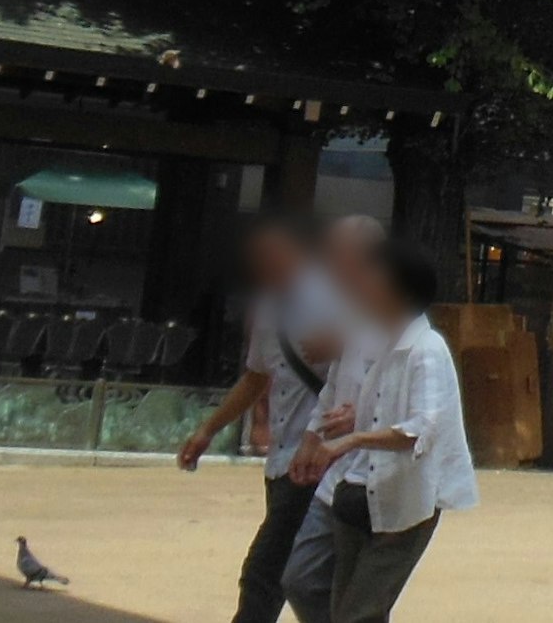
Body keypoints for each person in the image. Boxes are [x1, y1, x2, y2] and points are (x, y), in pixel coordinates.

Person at [290, 224, 478, 622]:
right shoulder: (383, 341)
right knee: (347, 610)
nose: (363, 283)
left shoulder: (427, 349)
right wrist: (343, 426)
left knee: (358, 613)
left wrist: (352, 439)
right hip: (360, 495)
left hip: (405, 503)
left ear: (400, 290)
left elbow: (422, 428)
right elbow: (378, 408)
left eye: (374, 275)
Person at [179, 216, 354, 623]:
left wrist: (346, 341)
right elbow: (257, 376)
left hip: (318, 459)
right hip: (282, 460)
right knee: (296, 573)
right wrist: (209, 429)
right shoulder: (270, 308)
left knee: (266, 570)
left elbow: (379, 353)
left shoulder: (336, 297)